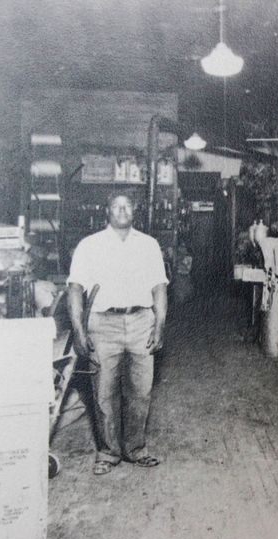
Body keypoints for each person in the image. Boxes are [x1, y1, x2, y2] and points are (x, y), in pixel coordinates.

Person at [67, 192, 169, 475]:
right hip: (103, 324)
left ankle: (136, 449)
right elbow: (75, 289)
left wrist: (159, 325)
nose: (122, 210)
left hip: (140, 322)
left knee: (141, 390)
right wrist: (78, 330)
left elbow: (159, 287)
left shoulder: (148, 245)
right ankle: (108, 452)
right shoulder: (89, 246)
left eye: (127, 205)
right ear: (107, 211)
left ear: (134, 211)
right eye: (116, 205)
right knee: (104, 392)